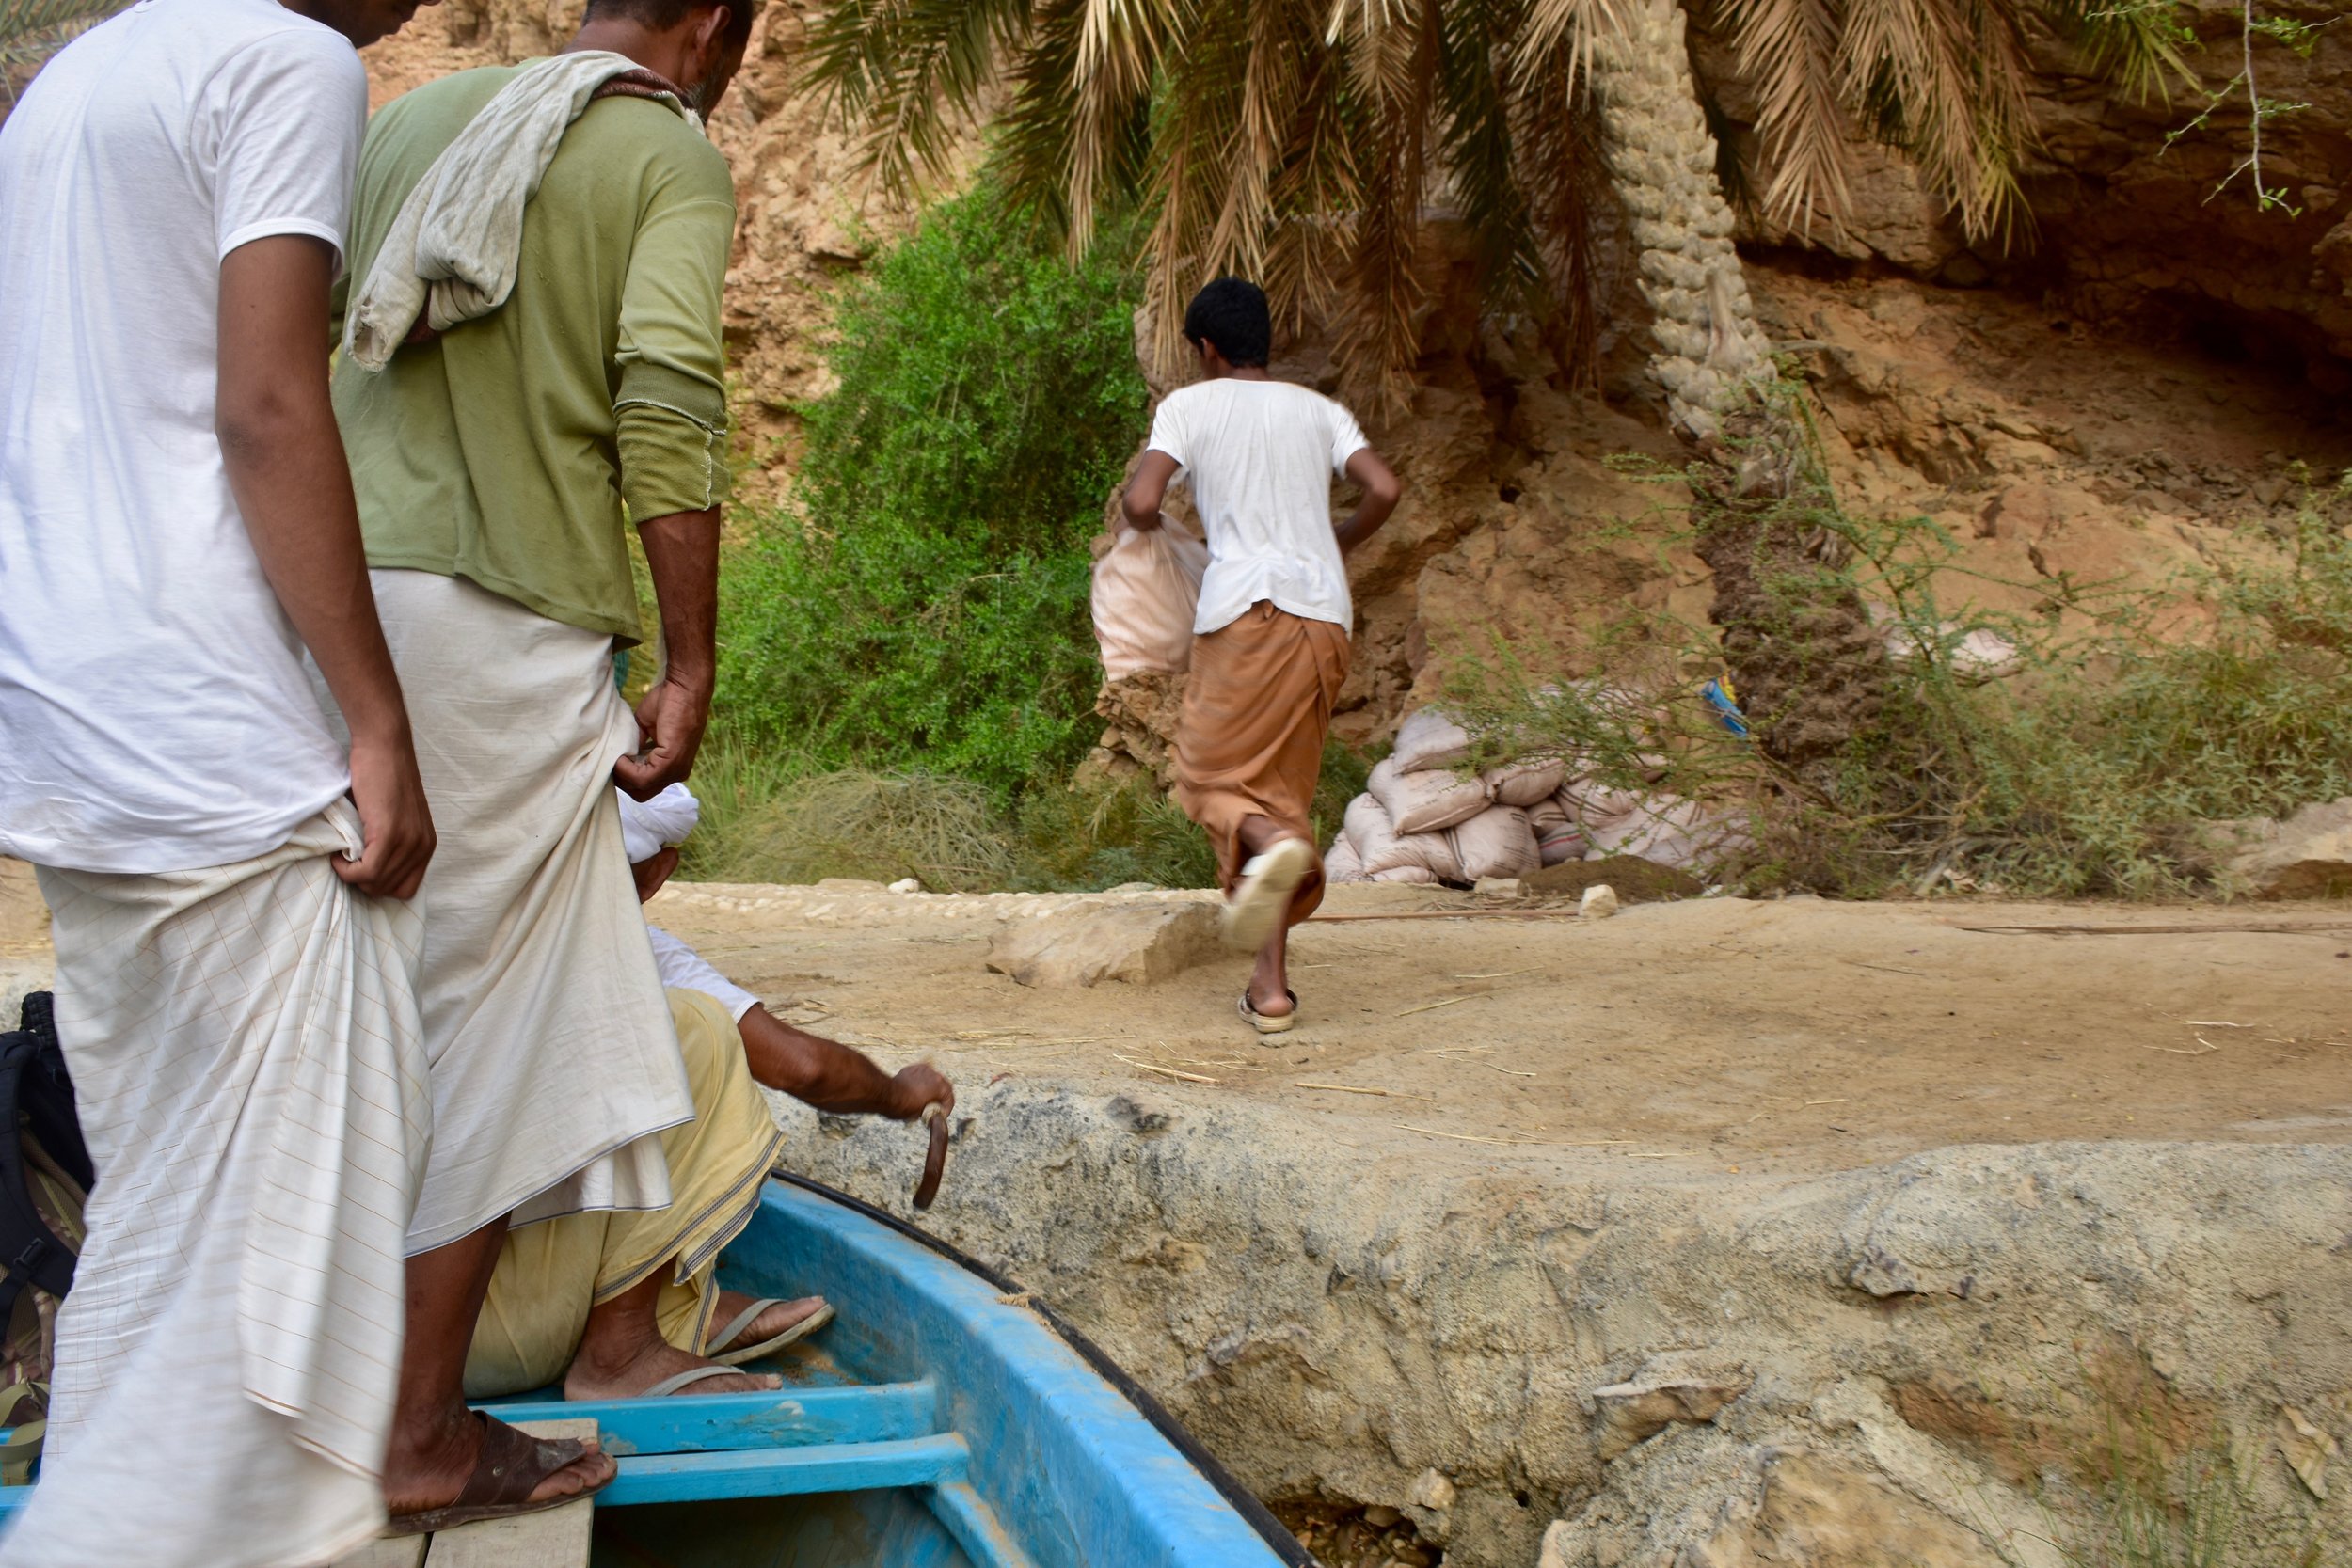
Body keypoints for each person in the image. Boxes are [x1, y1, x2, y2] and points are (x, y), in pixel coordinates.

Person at [0, 0, 452, 1559]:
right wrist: (376, 717)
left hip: (70, 725)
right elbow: (266, 405)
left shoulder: (68, 83)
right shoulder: (288, 63)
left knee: (163, 1217)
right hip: (211, 732)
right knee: (279, 1288)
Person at [323, 0, 755, 1528]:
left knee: (353, 993)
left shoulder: (416, 119)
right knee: (495, 1014)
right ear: (706, 24)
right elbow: (665, 397)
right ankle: (418, 1432)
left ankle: (304, 1379)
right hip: (498, 621)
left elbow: (311, 358)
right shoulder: (659, 148)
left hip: (324, 603)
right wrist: (687, 658)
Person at [463, 796, 954, 1402]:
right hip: (479, 1337)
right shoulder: (632, 950)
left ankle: (681, 1309)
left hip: (377, 1338)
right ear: (659, 871)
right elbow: (800, 1066)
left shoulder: (448, 925)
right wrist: (899, 1093)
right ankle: (623, 1350)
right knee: (692, 1028)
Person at [1120, 278, 1401, 1037]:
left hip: (1246, 614)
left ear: (1206, 348)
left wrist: (1136, 514)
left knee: (1206, 776)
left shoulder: (1191, 406)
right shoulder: (1319, 412)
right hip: (1324, 624)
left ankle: (1279, 847)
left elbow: (1145, 503)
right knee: (1277, 792)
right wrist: (1332, 542)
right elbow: (1383, 486)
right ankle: (1270, 991)